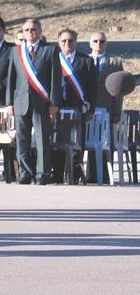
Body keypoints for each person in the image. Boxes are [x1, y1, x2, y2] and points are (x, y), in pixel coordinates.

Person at [6, 19, 61, 185]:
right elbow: (11, 79)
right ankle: (25, 173)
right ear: (23, 33)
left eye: (33, 29)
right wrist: (9, 103)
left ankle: (42, 174)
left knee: (42, 139)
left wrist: (54, 103)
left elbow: (55, 79)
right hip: (21, 101)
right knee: (21, 139)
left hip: (42, 102)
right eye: (27, 30)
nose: (30, 32)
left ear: (40, 31)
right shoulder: (16, 52)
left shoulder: (50, 50)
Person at [53, 28, 96, 184]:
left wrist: (91, 109)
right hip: (57, 109)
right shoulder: (53, 60)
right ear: (59, 43)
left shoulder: (86, 61)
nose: (67, 43)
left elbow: (92, 87)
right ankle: (57, 175)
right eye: (63, 41)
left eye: (70, 40)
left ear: (76, 42)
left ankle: (75, 175)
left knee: (77, 143)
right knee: (56, 143)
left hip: (78, 108)